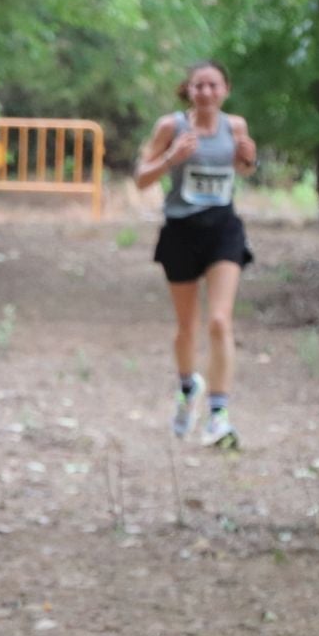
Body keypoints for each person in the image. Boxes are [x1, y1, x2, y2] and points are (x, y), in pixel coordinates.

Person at [134, 60, 259, 449]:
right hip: (181, 232)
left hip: (223, 229)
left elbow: (244, 169)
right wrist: (171, 158)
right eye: (198, 86)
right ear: (188, 90)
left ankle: (219, 415)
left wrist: (250, 159)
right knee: (187, 327)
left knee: (220, 321)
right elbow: (140, 179)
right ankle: (189, 387)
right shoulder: (170, 127)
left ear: (225, 90)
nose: (205, 92)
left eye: (213, 85)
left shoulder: (235, 126)